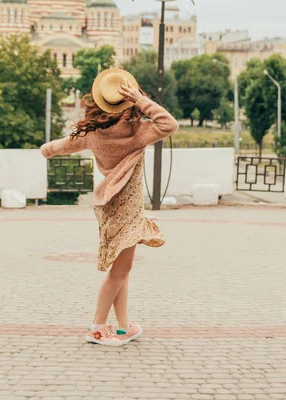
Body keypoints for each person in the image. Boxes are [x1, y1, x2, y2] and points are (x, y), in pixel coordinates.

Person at [40, 68, 179, 346]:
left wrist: (47, 149)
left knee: (122, 270)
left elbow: (60, 145)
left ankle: (122, 327)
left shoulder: (94, 135)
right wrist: (141, 100)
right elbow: (169, 124)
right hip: (127, 209)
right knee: (120, 271)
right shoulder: (138, 132)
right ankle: (97, 326)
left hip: (109, 207)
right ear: (128, 101)